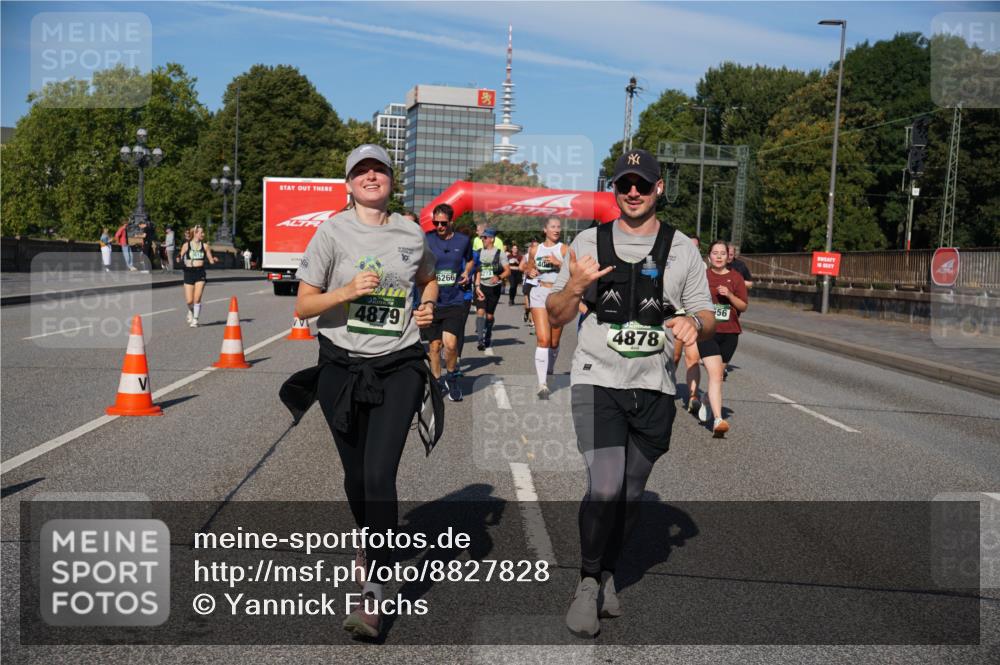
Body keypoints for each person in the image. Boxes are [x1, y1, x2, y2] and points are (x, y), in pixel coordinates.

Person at [545, 148, 714, 637]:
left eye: (643, 183)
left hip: (656, 387)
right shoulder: (587, 242)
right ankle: (586, 582)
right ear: (614, 190)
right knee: (604, 486)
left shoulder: (682, 248)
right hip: (597, 379)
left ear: (659, 188)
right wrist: (574, 288)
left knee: (630, 494)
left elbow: (707, 314)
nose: (633, 191)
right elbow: (555, 316)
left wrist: (690, 322)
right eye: (625, 184)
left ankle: (609, 572)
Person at [281, 143, 442, 640]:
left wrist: (427, 307)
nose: (371, 178)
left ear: (392, 181)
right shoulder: (331, 232)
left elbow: (429, 278)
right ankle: (369, 542)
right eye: (361, 172)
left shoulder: (410, 233)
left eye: (380, 171)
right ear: (349, 184)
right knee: (355, 478)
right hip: (341, 368)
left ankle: (374, 590)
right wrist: (348, 292)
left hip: (401, 365)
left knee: (379, 473)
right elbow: (304, 306)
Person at [693, 239, 749, 436]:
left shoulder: (736, 278)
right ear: (709, 256)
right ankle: (718, 420)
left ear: (728, 257)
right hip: (707, 332)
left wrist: (730, 296)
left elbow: (743, 306)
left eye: (722, 253)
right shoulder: (701, 276)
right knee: (715, 375)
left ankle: (707, 400)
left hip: (730, 333)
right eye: (715, 253)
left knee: (719, 376)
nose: (718, 256)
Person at [422, 203, 473, 401]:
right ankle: (436, 383)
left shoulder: (463, 240)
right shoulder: (427, 239)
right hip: (432, 300)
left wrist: (467, 272)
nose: (439, 226)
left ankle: (451, 378)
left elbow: (469, 260)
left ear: (451, 221)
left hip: (455, 299)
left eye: (443, 223)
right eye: (436, 222)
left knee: (450, 345)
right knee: (434, 346)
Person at [525, 217, 568, 399]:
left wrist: (559, 263)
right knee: (543, 339)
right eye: (553, 227)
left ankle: (549, 370)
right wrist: (530, 271)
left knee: (554, 342)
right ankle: (542, 384)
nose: (556, 230)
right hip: (540, 292)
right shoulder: (535, 249)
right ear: (545, 229)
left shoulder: (564, 249)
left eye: (559, 227)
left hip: (558, 295)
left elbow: (575, 269)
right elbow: (528, 267)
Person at [474, 228, 511, 351]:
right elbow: (477, 270)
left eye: (484, 237)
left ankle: (488, 333)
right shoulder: (478, 253)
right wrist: (477, 285)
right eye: (481, 237)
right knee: (480, 311)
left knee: (489, 316)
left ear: (491, 239)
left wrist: (499, 276)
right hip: (482, 287)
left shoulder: (500, 253)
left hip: (494, 289)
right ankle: (480, 340)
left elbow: (508, 271)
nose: (482, 239)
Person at [178, 225, 219, 327]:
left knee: (197, 299)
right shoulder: (186, 245)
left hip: (200, 272)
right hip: (188, 272)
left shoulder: (205, 246)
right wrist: (178, 258)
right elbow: (180, 256)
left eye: (203, 232)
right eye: (201, 232)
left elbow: (210, 261)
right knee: (189, 300)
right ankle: (191, 311)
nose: (203, 234)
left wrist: (214, 259)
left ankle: (195, 320)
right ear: (195, 233)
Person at [520, 240, 539, 327]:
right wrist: (527, 271)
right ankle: (526, 312)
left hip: (538, 283)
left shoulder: (542, 256)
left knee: (534, 304)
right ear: (531, 247)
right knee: (528, 306)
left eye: (538, 247)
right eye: (534, 247)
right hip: (528, 282)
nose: (536, 248)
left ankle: (533, 321)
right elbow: (520, 267)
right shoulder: (527, 256)